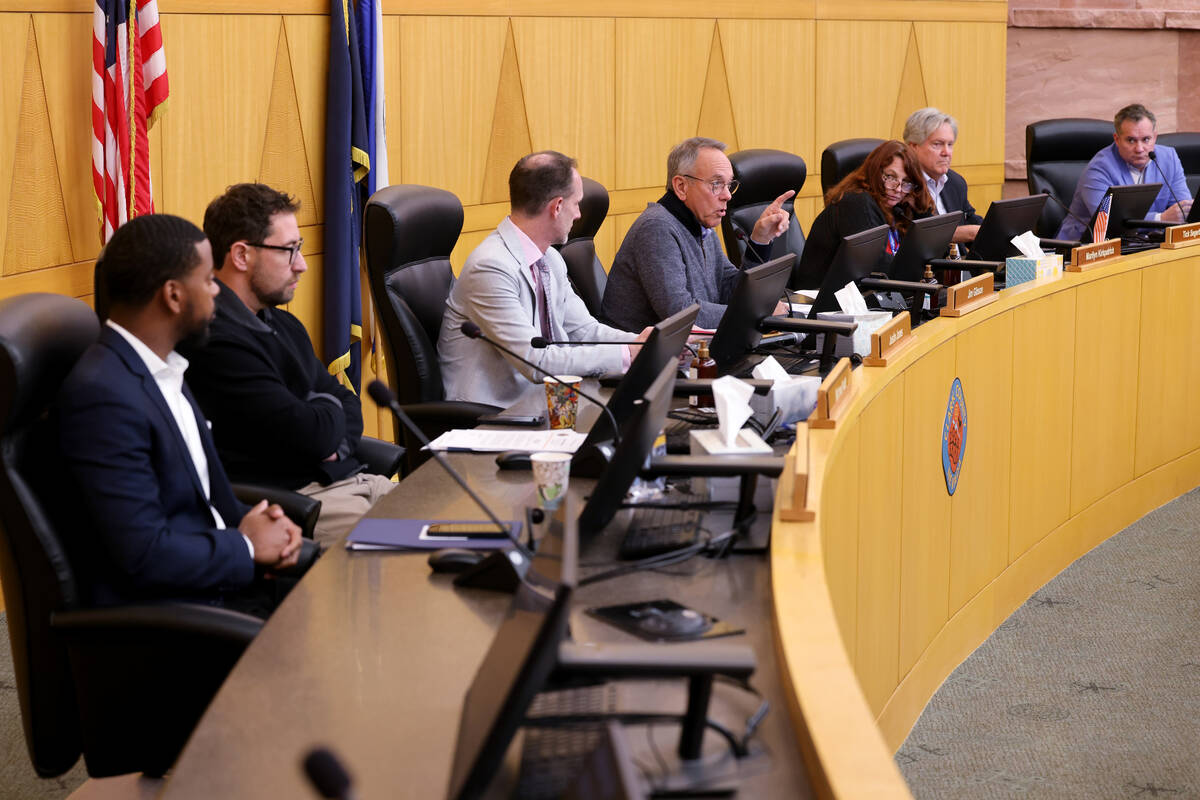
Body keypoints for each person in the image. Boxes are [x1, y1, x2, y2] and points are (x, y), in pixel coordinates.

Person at [56, 213, 303, 612]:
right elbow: (143, 554)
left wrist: (262, 523)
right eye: (208, 280)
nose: (217, 291)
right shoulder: (102, 397)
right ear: (173, 296)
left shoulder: (165, 366)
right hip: (177, 623)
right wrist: (245, 545)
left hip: (220, 583)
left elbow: (201, 500)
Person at [180, 183, 393, 547]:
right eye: (288, 251)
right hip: (300, 503)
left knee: (453, 522)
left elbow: (347, 402)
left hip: (353, 479)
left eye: (300, 249)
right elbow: (309, 432)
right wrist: (324, 413)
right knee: (417, 571)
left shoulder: (282, 323)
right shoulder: (215, 339)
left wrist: (326, 421)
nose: (302, 265)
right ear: (241, 255)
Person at [438, 151, 651, 408]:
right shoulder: (491, 267)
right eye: (576, 204)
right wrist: (626, 354)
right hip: (493, 415)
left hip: (547, 403)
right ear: (557, 206)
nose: (579, 215)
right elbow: (536, 361)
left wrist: (642, 343)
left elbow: (583, 331)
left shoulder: (549, 258)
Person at [600, 137, 793, 331]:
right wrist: (755, 314)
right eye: (716, 184)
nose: (727, 195)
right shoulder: (656, 228)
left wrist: (760, 240)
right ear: (681, 187)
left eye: (729, 185)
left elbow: (729, 291)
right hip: (641, 356)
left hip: (691, 351)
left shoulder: (701, 224)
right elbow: (680, 313)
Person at [797, 139, 934, 285]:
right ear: (874, 172)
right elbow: (878, 266)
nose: (898, 189)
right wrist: (920, 270)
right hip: (822, 299)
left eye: (906, 182)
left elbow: (928, 249)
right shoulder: (857, 202)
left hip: (869, 295)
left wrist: (920, 208)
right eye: (890, 177)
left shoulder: (897, 208)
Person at [1057, 104, 1192, 241]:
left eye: (1146, 139)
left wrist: (1178, 215)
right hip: (1084, 247)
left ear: (1155, 137)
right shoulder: (1099, 169)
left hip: (1142, 244)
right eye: (1131, 140)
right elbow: (1108, 221)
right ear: (1117, 139)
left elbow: (1182, 209)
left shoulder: (1169, 158)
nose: (1139, 149)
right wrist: (1161, 218)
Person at [903, 107, 983, 244]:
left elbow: (970, 219)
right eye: (937, 144)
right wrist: (962, 233)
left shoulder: (955, 182)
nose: (947, 152)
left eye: (950, 144)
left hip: (962, 263)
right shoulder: (901, 187)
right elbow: (912, 235)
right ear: (913, 147)